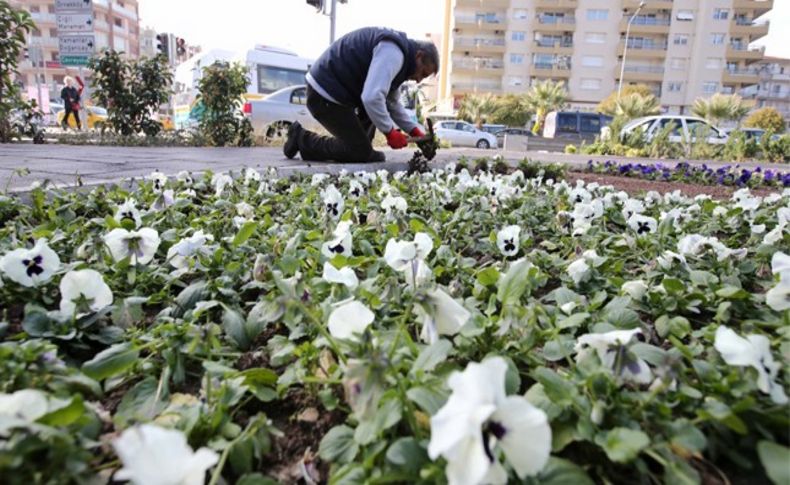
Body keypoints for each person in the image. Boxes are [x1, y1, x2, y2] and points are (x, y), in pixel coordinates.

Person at [283, 27, 439, 163]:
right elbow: (371, 98)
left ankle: (360, 149)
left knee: (363, 152)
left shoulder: (400, 56)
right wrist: (390, 132)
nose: (418, 80)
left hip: (338, 94)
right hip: (324, 92)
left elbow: (391, 102)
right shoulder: (394, 53)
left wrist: (413, 130)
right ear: (419, 56)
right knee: (359, 152)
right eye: (423, 73)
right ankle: (301, 138)